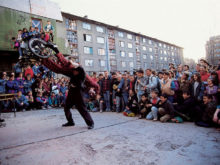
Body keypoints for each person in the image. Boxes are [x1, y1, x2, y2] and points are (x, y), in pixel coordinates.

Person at [42, 51, 99, 129]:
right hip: (71, 93)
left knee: (82, 109)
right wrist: (56, 55)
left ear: (79, 71)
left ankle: (90, 123)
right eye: (74, 71)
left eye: (75, 71)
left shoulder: (83, 76)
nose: (74, 72)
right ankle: (70, 122)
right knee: (66, 107)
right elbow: (61, 67)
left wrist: (97, 94)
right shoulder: (72, 73)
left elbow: (96, 85)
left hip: (78, 94)